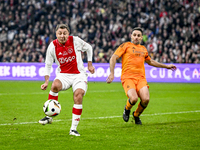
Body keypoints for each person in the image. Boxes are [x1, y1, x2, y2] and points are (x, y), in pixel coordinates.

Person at [106, 27, 176, 125]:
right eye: (134, 35)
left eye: (138, 35)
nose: (136, 37)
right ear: (131, 36)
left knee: (146, 100)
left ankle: (136, 115)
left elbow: (150, 61)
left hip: (141, 78)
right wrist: (112, 73)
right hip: (128, 77)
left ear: (141, 37)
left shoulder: (143, 49)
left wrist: (166, 66)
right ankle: (127, 109)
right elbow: (113, 57)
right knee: (133, 99)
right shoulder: (126, 45)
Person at [38, 24, 95, 136]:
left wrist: (89, 64)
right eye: (60, 33)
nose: (62, 35)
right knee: (54, 85)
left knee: (78, 95)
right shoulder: (52, 46)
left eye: (65, 33)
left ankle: (73, 129)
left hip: (79, 75)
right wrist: (46, 81)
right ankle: (49, 117)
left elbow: (89, 48)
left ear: (68, 34)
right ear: (56, 34)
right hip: (64, 75)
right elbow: (48, 64)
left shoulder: (75, 40)